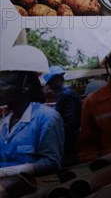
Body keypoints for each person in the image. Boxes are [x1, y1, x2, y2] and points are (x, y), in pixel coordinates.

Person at [0, 47, 64, 177]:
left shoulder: (47, 118)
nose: (0, 90)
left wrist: (8, 172)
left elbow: (52, 162)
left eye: (4, 85)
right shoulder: (5, 122)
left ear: (25, 87)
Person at [43, 66, 82, 167]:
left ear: (57, 81)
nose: (50, 87)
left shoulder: (66, 94)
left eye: (51, 83)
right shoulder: (64, 94)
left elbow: (70, 121)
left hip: (69, 138)